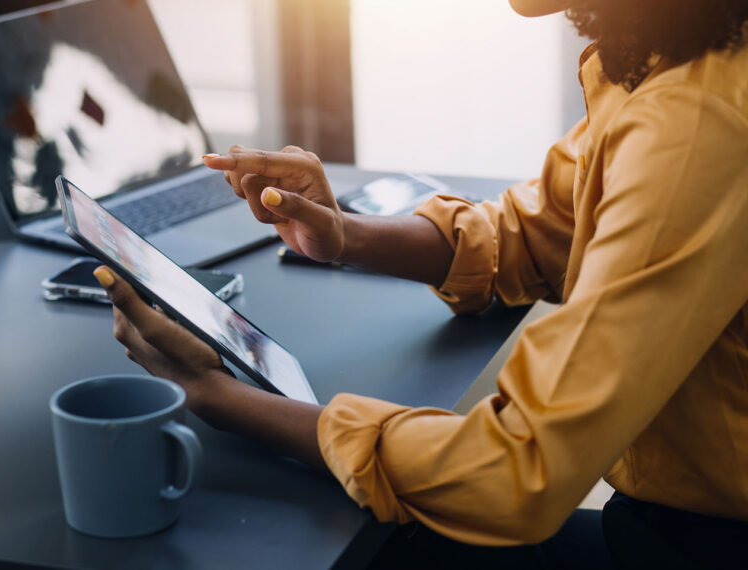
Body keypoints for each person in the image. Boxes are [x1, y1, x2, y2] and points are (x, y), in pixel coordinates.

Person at [92, 0, 748, 566]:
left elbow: (523, 468)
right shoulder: (671, 58)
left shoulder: (692, 122)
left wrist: (216, 395)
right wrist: (346, 233)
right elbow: (542, 231)